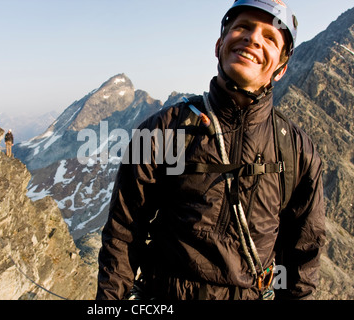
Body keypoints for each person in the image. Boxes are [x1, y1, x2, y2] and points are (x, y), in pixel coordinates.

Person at [96, 0, 326, 300]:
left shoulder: (298, 153)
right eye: (242, 27)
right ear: (219, 45)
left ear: (280, 69)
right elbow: (124, 233)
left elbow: (302, 257)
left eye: (270, 37)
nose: (253, 38)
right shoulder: (161, 130)